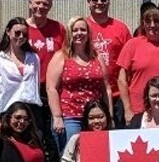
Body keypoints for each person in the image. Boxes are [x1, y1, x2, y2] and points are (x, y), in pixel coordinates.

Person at [46, 16, 111, 152]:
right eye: (75, 30)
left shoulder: (96, 56)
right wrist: (57, 117)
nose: (79, 33)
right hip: (71, 117)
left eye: (83, 30)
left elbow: (106, 88)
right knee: (71, 156)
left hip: (94, 117)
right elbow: (51, 88)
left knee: (95, 153)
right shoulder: (61, 56)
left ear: (88, 33)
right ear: (69, 33)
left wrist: (109, 115)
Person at [117, 6, 159, 124]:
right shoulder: (132, 45)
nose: (152, 25)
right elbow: (122, 80)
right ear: (143, 24)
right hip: (137, 112)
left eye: (156, 21)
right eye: (148, 21)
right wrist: (127, 109)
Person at [26, 0, 66, 162]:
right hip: (29, 89)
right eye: (37, 3)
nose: (40, 7)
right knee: (34, 133)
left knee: (54, 132)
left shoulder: (58, 28)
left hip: (53, 89)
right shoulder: (21, 28)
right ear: (30, 4)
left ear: (50, 7)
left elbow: (67, 55)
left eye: (45, 4)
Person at [86, 0, 132, 128]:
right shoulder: (82, 27)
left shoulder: (121, 28)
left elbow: (129, 62)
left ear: (109, 1)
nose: (99, 3)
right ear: (88, 2)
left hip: (117, 94)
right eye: (95, 0)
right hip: (90, 93)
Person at [0, 18, 42, 137]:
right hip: (8, 112)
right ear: (8, 31)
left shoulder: (33, 58)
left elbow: (35, 86)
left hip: (32, 112)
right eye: (17, 33)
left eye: (24, 34)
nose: (21, 36)